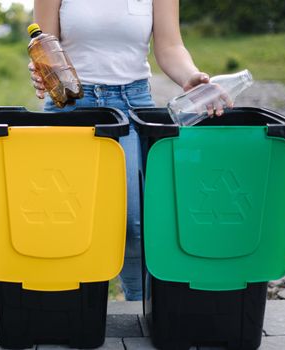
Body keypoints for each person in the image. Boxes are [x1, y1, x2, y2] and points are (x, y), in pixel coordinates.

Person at [29, 0, 224, 301]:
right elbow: (44, 45)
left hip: (132, 105)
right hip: (69, 106)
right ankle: (66, 305)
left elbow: (170, 47)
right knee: (64, 219)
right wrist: (39, 71)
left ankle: (138, 308)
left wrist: (192, 78)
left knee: (133, 225)